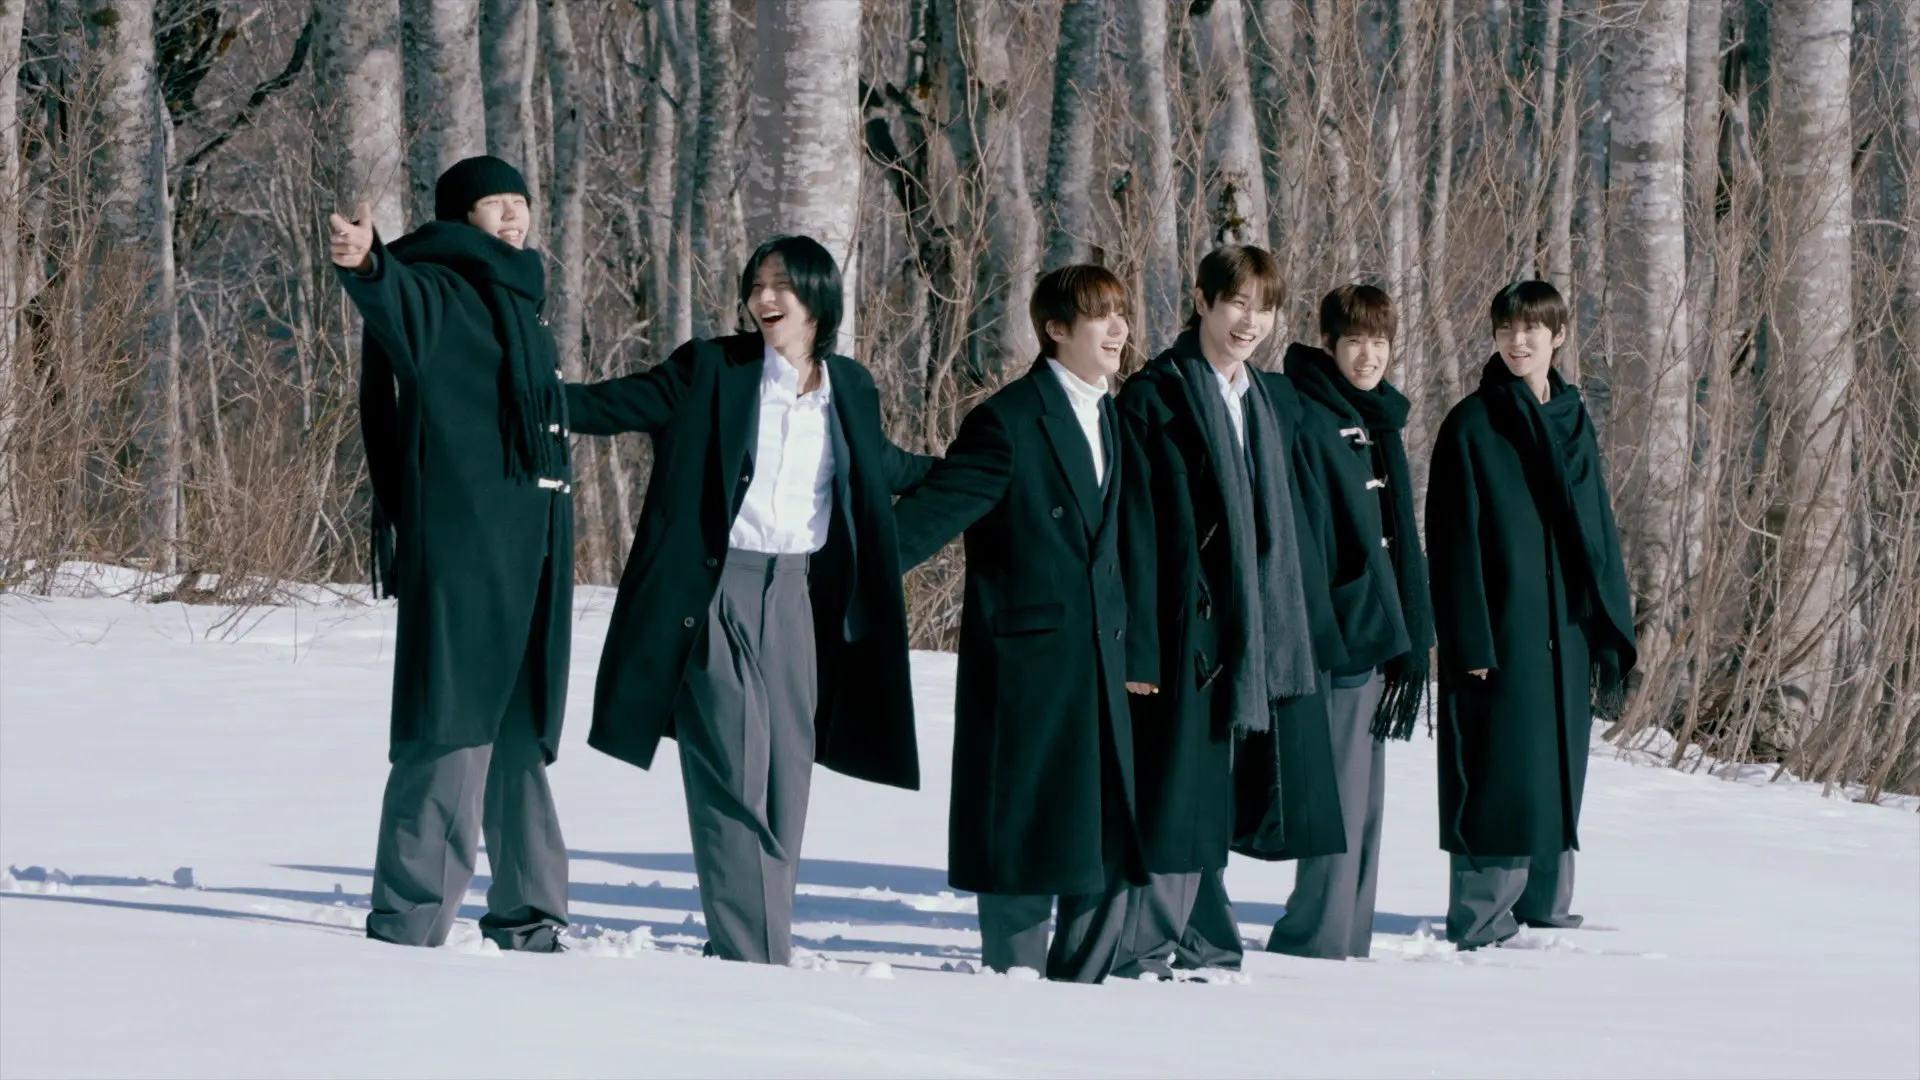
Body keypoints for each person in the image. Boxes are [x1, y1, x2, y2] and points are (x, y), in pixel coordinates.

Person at [562, 235, 931, 966]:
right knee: (732, 764)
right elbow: (615, 403)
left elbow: (887, 467)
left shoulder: (849, 387)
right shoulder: (714, 368)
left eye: (780, 285)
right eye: (757, 285)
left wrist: (992, 471)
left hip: (797, 597)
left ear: (818, 298)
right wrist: (520, 394)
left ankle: (758, 939)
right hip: (713, 593)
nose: (764, 298)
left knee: (787, 773)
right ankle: (754, 955)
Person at [330, 154, 573, 951]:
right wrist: (367, 261)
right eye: (494, 203)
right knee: (452, 723)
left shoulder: (522, 299)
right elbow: (391, 297)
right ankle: (410, 919)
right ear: (460, 216)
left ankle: (531, 915)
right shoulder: (440, 286)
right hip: (466, 543)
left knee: (519, 731)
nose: (513, 215)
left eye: (520, 201)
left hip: (533, 542)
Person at [890, 264, 1143, 983]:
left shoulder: (1113, 415)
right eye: (1099, 316)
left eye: (1121, 314)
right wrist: (836, 580)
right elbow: (928, 521)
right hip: (1029, 669)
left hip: (1103, 663)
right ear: (1056, 329)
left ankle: (1083, 992)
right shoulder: (1007, 420)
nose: (1118, 330)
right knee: (1024, 835)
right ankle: (1014, 991)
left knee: (1103, 835)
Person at [1113, 245, 1326, 979]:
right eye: (1236, 302)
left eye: (1263, 308)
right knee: (1174, 788)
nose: (1249, 322)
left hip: (1254, 627)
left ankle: (1203, 934)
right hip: (1184, 627)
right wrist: (1141, 648)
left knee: (1213, 788)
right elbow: (1136, 533)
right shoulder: (1155, 396)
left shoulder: (1269, 400)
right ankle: (1143, 942)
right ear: (1201, 300)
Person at [1426, 280, 1637, 950]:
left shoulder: (1572, 420)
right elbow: (1452, 546)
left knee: (1557, 766)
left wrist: (1606, 627)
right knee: (1499, 769)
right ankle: (1484, 915)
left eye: (1532, 330)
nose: (1518, 342)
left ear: (1558, 336)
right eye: (1507, 330)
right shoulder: (1472, 424)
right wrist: (1470, 642)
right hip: (1503, 633)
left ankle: (1546, 905)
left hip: (1566, 630)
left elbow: (1598, 529)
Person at [1265, 284, 1433, 960]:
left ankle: (1348, 937)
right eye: (1355, 341)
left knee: (1365, 804)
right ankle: (1315, 938)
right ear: (1330, 344)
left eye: (1379, 342)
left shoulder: (1378, 417)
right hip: (1338, 632)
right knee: (1334, 799)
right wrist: (1333, 617)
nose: (1368, 356)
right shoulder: (1307, 413)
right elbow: (1303, 529)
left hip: (1380, 632)